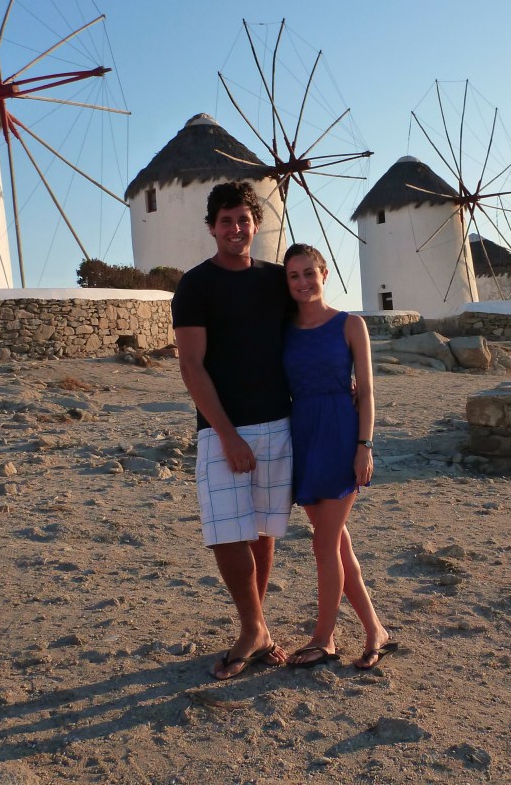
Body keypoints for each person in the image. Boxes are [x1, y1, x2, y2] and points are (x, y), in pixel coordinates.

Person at [172, 180, 292, 680]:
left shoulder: (275, 280)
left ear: (256, 224)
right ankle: (253, 626)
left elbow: (306, 336)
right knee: (226, 533)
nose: (236, 229)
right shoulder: (195, 285)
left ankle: (256, 629)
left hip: (278, 421)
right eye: (226, 221)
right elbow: (192, 366)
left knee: (262, 530)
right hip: (223, 429)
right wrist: (226, 434)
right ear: (211, 227)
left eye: (243, 219)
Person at [282, 243, 396, 670]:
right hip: (303, 433)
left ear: (324, 274)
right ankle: (375, 630)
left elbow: (366, 391)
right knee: (338, 544)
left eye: (309, 272)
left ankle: (323, 638)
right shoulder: (285, 328)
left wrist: (364, 446)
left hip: (340, 434)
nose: (303, 282)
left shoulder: (351, 324)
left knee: (324, 543)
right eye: (294, 276)